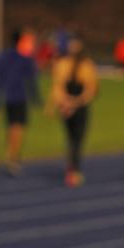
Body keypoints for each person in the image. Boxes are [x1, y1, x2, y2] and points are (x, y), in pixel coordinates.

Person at [47, 35, 99, 187]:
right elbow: (58, 85)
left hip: (75, 105)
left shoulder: (83, 65)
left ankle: (73, 168)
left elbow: (91, 88)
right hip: (72, 106)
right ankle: (74, 170)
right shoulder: (67, 64)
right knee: (74, 139)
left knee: (75, 139)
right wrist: (66, 103)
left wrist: (70, 103)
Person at [0, 29, 40, 176]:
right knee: (18, 128)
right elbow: (31, 82)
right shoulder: (25, 59)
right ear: (20, 41)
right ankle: (13, 156)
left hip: (7, 98)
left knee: (11, 127)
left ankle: (10, 152)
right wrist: (36, 99)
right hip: (20, 97)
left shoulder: (3, 57)